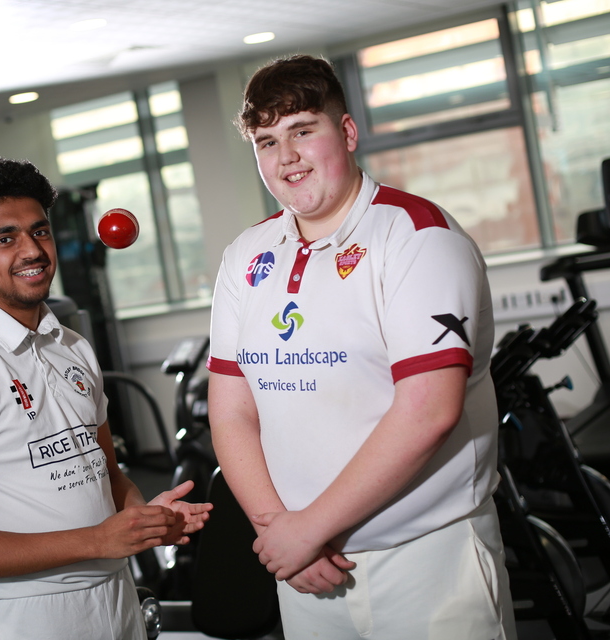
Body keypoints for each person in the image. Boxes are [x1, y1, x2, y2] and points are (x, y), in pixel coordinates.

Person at [206, 54, 516, 639]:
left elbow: (428, 409)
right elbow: (232, 409)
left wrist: (304, 530)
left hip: (425, 561)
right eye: (268, 142)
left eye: (303, 130)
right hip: (302, 569)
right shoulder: (245, 256)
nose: (287, 156)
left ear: (346, 132)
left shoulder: (418, 237)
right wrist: (280, 529)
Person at [0, 158, 211, 639]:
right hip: (30, 616)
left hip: (116, 595)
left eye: (39, 232)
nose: (31, 250)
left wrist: (144, 519)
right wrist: (98, 539)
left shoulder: (72, 345)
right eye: (5, 239)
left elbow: (105, 473)